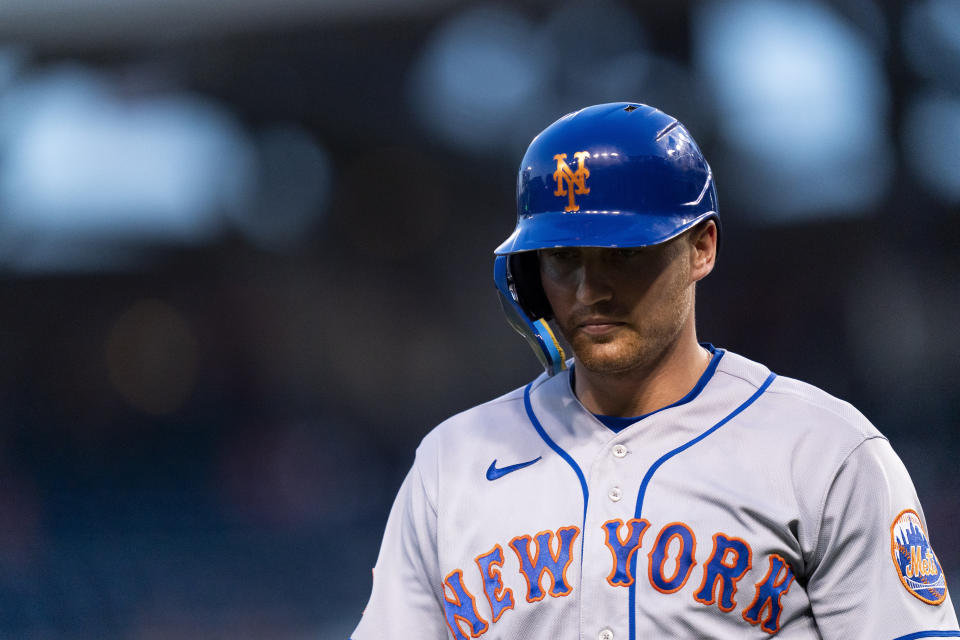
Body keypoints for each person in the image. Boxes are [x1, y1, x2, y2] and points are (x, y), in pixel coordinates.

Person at [350, 103, 959, 639]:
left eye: (622, 254)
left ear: (702, 247)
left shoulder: (825, 451)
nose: (591, 290)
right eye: (563, 258)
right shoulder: (451, 464)